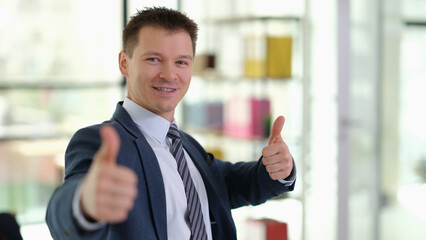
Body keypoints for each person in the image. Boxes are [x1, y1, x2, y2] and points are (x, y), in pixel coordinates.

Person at [45, 6, 296, 240]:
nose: (169, 74)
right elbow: (64, 212)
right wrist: (85, 204)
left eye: (181, 62)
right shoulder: (99, 141)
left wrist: (278, 168)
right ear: (124, 63)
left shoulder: (186, 145)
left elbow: (230, 184)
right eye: (154, 59)